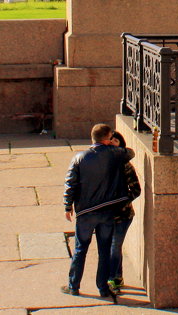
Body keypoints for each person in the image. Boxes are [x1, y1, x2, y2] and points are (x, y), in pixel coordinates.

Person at [62, 123, 135, 297]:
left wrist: (67, 205)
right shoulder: (114, 154)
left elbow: (70, 183)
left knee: (80, 249)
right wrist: (114, 146)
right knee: (104, 250)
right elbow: (130, 153)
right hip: (107, 211)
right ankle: (102, 288)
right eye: (110, 137)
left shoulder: (79, 157)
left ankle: (73, 286)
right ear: (107, 138)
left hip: (85, 212)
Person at [106, 131, 140, 295]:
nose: (112, 142)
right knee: (112, 246)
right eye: (110, 140)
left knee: (114, 246)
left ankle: (113, 279)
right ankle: (117, 276)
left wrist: (121, 202)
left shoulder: (125, 165)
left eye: (116, 140)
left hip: (123, 214)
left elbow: (136, 189)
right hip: (106, 214)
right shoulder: (101, 163)